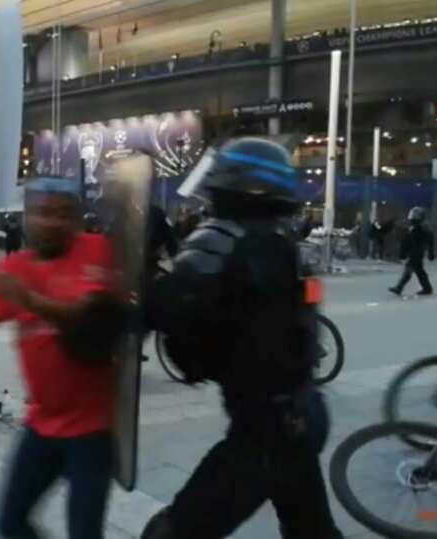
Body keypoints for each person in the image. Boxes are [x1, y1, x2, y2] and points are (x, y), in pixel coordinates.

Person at [142, 138, 343, 539]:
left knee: (173, 532)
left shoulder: (222, 240)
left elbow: (166, 307)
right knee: (311, 530)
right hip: (302, 413)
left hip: (264, 431)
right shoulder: (282, 242)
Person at [0, 177, 125, 539]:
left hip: (93, 430)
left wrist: (29, 300)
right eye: (44, 213)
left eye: (63, 214)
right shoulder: (15, 268)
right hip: (41, 425)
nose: (53, 222)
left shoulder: (98, 251)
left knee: (84, 532)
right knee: (9, 523)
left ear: (78, 219)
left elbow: (90, 321)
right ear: (28, 216)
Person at [389, 207, 435, 296]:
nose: (412, 218)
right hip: (417, 252)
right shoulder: (417, 228)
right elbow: (407, 242)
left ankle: (399, 288)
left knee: (409, 270)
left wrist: (430, 252)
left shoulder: (419, 229)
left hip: (416, 253)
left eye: (415, 216)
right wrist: (430, 252)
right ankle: (427, 288)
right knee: (419, 271)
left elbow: (407, 242)